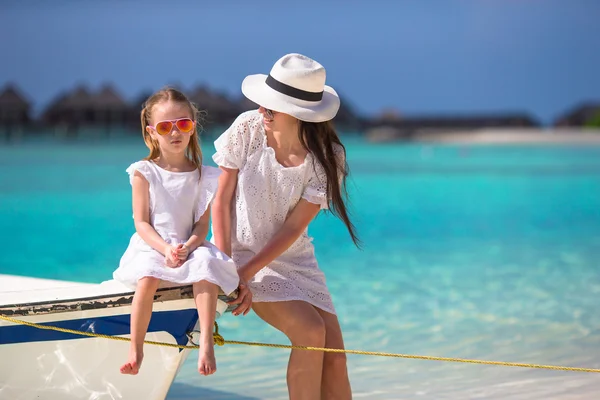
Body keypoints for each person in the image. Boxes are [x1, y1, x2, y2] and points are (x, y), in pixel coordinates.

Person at [212, 53, 359, 400]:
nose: (262, 110)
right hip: (240, 255)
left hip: (294, 259)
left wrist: (246, 272)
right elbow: (221, 200)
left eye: (271, 107)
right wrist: (228, 269)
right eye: (263, 103)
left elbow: (293, 229)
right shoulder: (247, 128)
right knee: (310, 332)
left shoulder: (328, 156)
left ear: (298, 114)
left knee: (335, 359)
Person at [112, 87, 245, 377]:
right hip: (153, 244)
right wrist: (165, 249)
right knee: (147, 277)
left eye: (183, 124)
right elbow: (142, 224)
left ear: (192, 127)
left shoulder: (203, 174)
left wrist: (191, 245)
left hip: (190, 244)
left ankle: (206, 342)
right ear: (151, 133)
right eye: (165, 127)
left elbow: (201, 225)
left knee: (207, 268)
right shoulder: (143, 172)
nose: (175, 133)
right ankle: (136, 348)